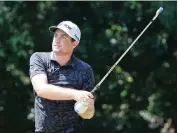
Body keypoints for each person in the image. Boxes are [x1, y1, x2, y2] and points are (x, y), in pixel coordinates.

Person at [29, 21, 95, 133]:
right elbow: (41, 89)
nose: (57, 40)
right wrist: (76, 94)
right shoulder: (39, 59)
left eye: (63, 37)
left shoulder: (85, 70)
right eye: (56, 35)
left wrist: (86, 105)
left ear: (74, 43)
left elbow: (88, 115)